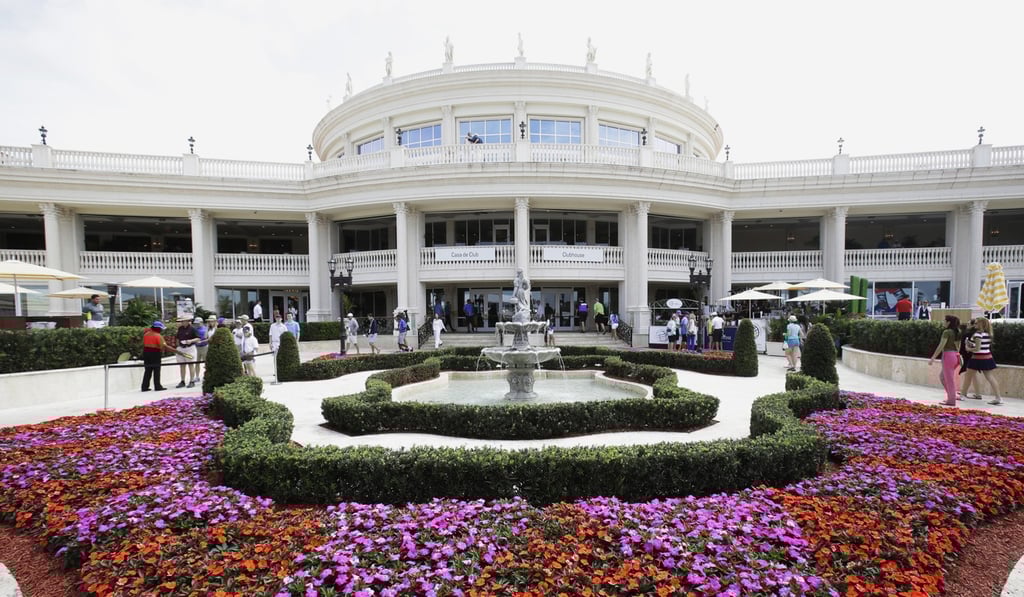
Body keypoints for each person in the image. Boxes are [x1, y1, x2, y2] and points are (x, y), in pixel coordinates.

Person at [960, 317, 1003, 405]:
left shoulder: (977, 335)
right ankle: (998, 397)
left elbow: (977, 349)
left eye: (976, 323)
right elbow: (983, 346)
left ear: (981, 324)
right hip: (987, 357)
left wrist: (968, 348)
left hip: (977, 357)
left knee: (968, 376)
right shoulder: (988, 334)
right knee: (990, 377)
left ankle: (962, 395)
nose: (974, 325)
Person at [929, 315, 963, 406]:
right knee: (943, 377)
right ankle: (952, 396)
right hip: (955, 355)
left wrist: (933, 358)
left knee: (949, 379)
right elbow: (958, 346)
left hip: (948, 356)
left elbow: (941, 345)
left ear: (948, 322)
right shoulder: (958, 332)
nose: (943, 322)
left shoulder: (947, 332)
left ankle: (951, 400)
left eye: (944, 321)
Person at [141, 321, 173, 392]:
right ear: (158, 328)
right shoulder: (158, 336)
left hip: (146, 353)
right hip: (155, 353)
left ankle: (144, 387)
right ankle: (157, 386)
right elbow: (162, 346)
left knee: (147, 370)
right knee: (156, 370)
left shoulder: (146, 334)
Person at [174, 317, 200, 388]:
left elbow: (198, 338)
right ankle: (182, 381)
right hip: (181, 349)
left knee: (191, 365)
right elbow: (177, 337)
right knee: (182, 365)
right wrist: (177, 346)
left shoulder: (192, 329)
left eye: (183, 321)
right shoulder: (180, 328)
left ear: (188, 321)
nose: (182, 322)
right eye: (181, 321)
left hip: (190, 349)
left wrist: (191, 341)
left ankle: (192, 381)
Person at [193, 317, 209, 382]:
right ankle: (197, 376)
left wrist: (202, 341)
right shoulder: (194, 329)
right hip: (196, 348)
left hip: (204, 347)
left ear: (201, 322)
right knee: (197, 363)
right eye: (195, 323)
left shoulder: (206, 329)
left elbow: (207, 338)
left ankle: (207, 376)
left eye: (198, 323)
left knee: (206, 363)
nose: (196, 324)